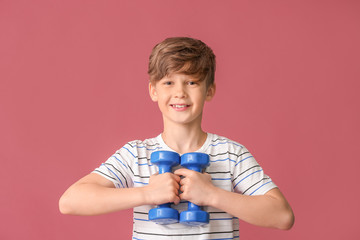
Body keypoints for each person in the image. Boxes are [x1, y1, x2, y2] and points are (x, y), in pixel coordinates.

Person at [59, 37, 294, 239]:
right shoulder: (136, 155)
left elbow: (282, 216)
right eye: (169, 82)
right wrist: (146, 194)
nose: (180, 92)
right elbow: (70, 201)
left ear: (209, 90)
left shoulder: (231, 154)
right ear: (154, 90)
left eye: (192, 82)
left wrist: (212, 195)